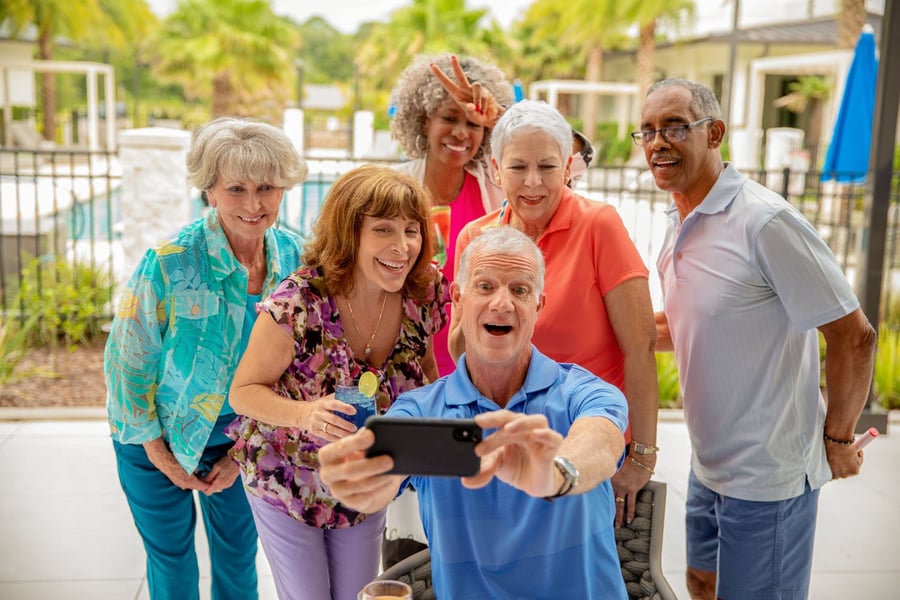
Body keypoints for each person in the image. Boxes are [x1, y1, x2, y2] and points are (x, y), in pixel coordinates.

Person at [639, 78, 877, 599]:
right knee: (701, 582)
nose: (658, 142)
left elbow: (854, 336)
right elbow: (683, 325)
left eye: (675, 127)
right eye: (648, 131)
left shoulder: (764, 220)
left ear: (714, 133)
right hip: (707, 464)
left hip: (768, 477)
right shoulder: (678, 217)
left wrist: (839, 440)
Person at [320, 226, 629, 599]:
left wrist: (556, 473)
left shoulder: (583, 391)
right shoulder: (419, 411)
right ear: (458, 298)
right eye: (485, 286)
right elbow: (382, 481)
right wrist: (359, 485)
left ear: (538, 305)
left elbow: (602, 440)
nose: (502, 303)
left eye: (520, 290)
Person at [105, 117, 308, 599]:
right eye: (236, 189)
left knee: (238, 561)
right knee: (173, 563)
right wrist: (159, 453)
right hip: (154, 433)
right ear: (209, 190)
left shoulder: (297, 258)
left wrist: (243, 454)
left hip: (245, 436)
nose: (253, 205)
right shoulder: (170, 261)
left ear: (283, 189)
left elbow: (300, 368)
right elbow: (126, 364)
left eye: (266, 188)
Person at [225, 165, 450, 600]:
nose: (402, 246)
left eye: (411, 230)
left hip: (365, 480)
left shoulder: (423, 293)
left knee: (357, 595)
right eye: (383, 229)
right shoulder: (299, 301)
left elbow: (424, 368)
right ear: (350, 234)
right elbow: (243, 392)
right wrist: (306, 413)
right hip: (287, 475)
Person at [451, 99, 659, 525]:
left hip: (587, 446)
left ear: (566, 168)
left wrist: (641, 457)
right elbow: (461, 352)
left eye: (547, 167)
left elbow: (640, 348)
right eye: (518, 167)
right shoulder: (476, 237)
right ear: (496, 169)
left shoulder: (599, 225)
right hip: (503, 449)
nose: (533, 182)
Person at [391, 52, 514, 377]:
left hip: (477, 365)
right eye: (449, 118)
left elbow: (566, 163)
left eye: (474, 124)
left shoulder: (497, 188)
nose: (461, 133)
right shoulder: (394, 187)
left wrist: (503, 120)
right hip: (405, 365)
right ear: (424, 121)